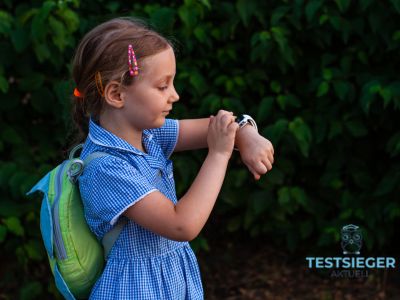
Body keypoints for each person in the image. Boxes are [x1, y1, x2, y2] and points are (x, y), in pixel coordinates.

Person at [71, 17, 274, 299]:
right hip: (135, 291)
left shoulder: (149, 135)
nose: (175, 96)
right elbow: (182, 224)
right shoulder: (107, 168)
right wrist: (218, 154)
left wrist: (248, 132)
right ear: (117, 94)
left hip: (168, 284)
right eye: (162, 86)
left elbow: (221, 127)